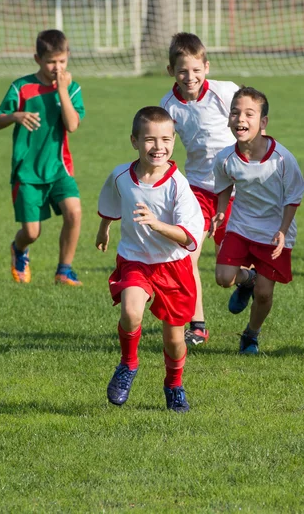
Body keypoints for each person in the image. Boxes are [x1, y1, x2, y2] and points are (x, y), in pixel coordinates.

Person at [95, 106, 204, 413]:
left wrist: (157, 224)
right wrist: (104, 229)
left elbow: (189, 236)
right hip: (135, 260)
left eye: (166, 139)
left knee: (174, 340)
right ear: (134, 141)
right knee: (131, 312)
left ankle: (174, 384)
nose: (158, 147)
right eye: (150, 139)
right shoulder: (121, 175)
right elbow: (111, 201)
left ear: (174, 142)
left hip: (173, 265)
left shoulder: (177, 185)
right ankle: (128, 364)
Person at [210, 86, 304, 354]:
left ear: (263, 122)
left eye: (249, 114)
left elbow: (293, 197)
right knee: (223, 277)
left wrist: (283, 231)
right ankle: (246, 280)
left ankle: (251, 335)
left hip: (274, 233)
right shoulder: (225, 158)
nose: (241, 119)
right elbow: (225, 182)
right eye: (235, 113)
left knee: (264, 294)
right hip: (240, 228)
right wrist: (220, 210)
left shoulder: (282, 159)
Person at [160, 32, 239, 346]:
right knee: (187, 255)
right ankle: (198, 324)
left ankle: (246, 281)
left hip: (234, 190)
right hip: (197, 190)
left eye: (195, 70)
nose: (189, 77)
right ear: (171, 72)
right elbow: (163, 144)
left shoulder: (224, 92)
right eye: (182, 71)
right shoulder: (168, 106)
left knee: (227, 274)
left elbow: (251, 121)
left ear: (206, 67)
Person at [0, 29, 85, 286]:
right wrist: (15, 116)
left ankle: (64, 270)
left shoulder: (72, 89)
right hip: (27, 172)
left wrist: (62, 90)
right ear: (37, 59)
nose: (57, 67)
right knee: (32, 233)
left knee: (74, 213)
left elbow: (72, 124)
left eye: (62, 61)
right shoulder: (21, 87)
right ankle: (19, 249)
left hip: (59, 168)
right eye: (51, 62)